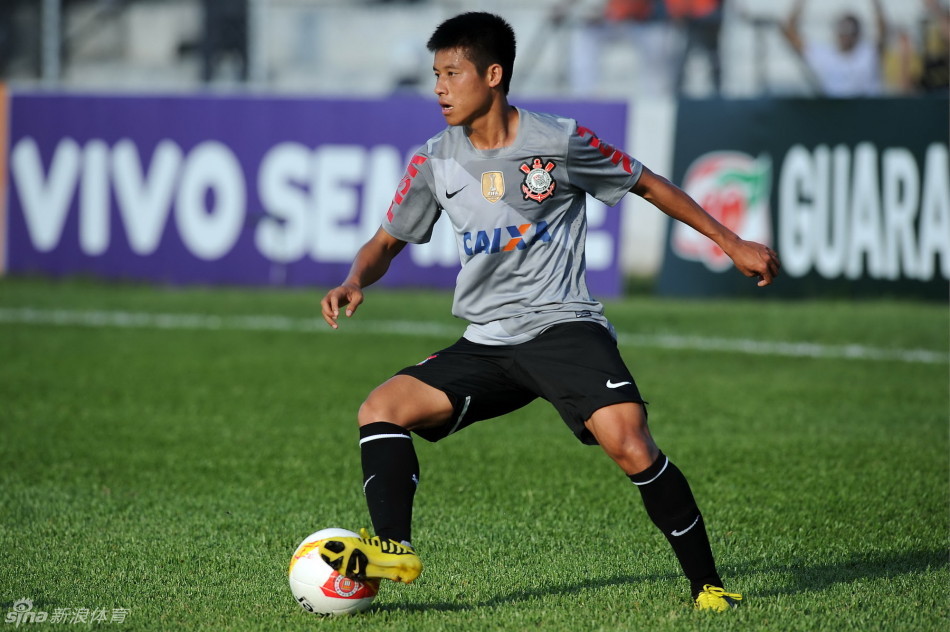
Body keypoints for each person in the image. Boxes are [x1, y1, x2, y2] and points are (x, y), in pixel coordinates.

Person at [317, 11, 779, 612]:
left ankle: (708, 586)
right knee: (381, 408)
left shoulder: (558, 142)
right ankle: (394, 547)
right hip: (487, 341)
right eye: (436, 75)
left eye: (452, 74)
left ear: (493, 74)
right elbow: (385, 243)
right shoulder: (435, 160)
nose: (440, 88)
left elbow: (648, 183)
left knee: (631, 443)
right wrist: (356, 279)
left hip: (563, 325)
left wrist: (732, 242)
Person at [781, 0, 889, 97]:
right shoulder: (824, 56)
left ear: (858, 33)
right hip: (834, 115)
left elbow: (884, 33)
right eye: (842, 29)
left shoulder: (867, 54)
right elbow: (789, 32)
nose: (846, 36)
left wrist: (876, 4)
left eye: (850, 30)